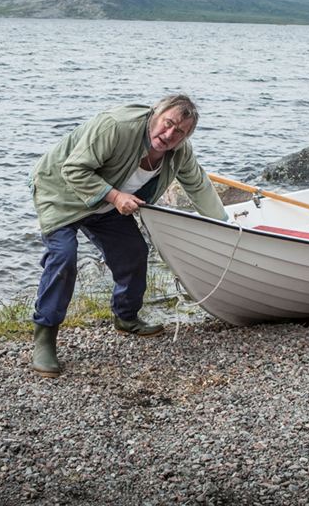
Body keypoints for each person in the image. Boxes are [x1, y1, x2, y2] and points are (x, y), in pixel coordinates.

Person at [27, 94, 228, 376]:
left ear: (187, 135)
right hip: (60, 192)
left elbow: (198, 187)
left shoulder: (180, 151)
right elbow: (73, 168)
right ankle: (44, 338)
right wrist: (115, 196)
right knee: (63, 258)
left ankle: (126, 317)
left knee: (134, 252)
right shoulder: (116, 126)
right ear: (154, 114)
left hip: (108, 202)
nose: (169, 134)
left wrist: (226, 228)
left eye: (179, 131)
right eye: (167, 123)